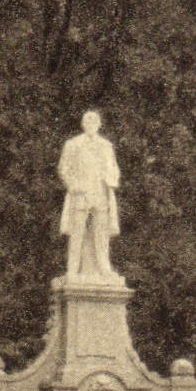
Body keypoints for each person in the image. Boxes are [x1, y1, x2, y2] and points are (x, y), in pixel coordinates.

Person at [57, 110, 120, 278]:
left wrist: (110, 180)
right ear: (83, 124)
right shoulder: (73, 144)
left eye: (95, 122)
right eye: (88, 121)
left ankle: (104, 268)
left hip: (100, 194)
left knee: (102, 234)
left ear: (99, 125)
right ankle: (72, 269)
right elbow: (64, 168)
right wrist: (73, 185)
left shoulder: (106, 145)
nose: (91, 124)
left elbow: (114, 167)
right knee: (77, 233)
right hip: (81, 194)